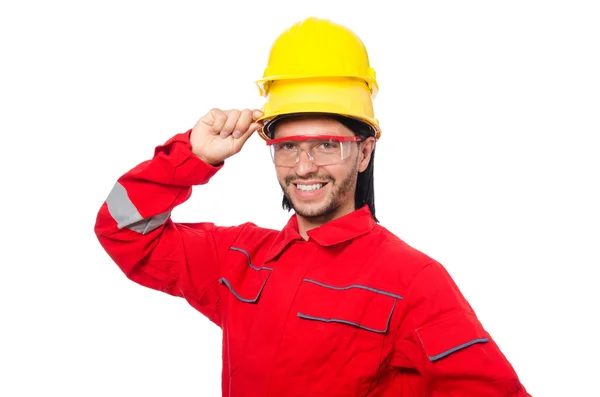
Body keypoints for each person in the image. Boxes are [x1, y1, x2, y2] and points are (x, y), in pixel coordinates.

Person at [94, 17, 531, 397]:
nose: (304, 167)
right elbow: (123, 230)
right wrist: (193, 155)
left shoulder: (413, 283)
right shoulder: (237, 259)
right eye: (288, 147)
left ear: (364, 152)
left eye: (327, 145)